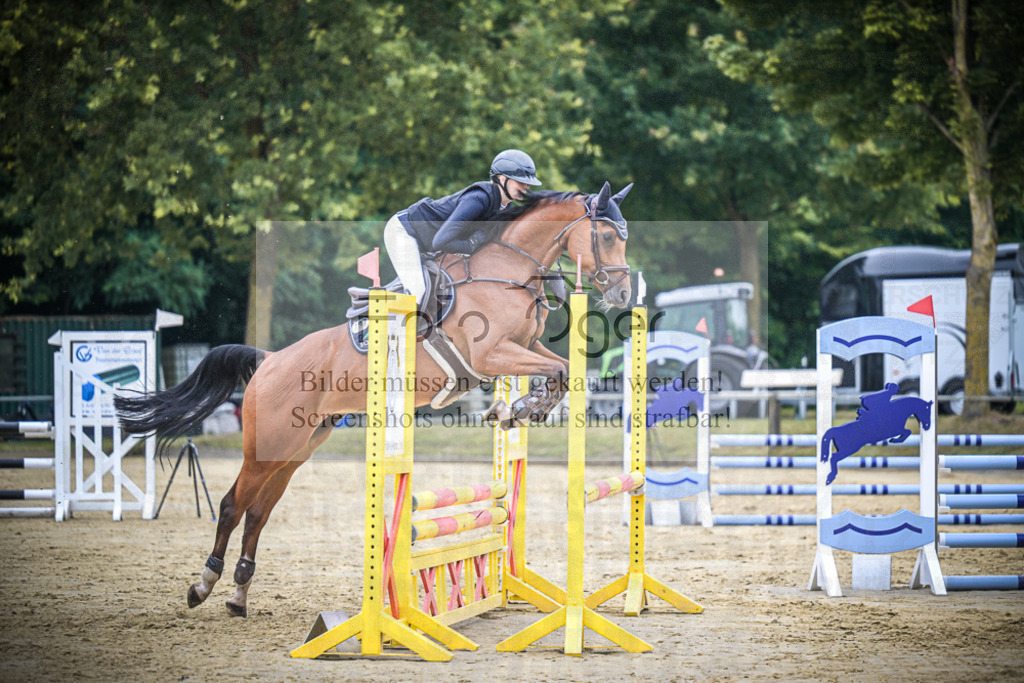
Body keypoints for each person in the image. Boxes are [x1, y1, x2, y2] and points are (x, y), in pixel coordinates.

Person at [382, 149, 542, 304]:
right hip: (405, 231)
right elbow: (440, 241)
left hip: (429, 242)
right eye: (521, 182)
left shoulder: (505, 210)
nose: (526, 187)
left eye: (528, 184)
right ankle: (390, 330)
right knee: (418, 291)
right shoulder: (477, 200)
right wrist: (471, 246)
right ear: (501, 179)